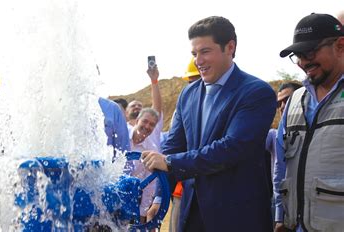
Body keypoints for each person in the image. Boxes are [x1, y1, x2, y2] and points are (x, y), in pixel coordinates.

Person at [141, 16, 276, 232]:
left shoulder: (256, 93)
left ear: (230, 47)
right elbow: (174, 147)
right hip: (191, 217)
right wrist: (159, 197)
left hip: (237, 219)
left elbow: (232, 148)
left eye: (205, 51)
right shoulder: (188, 94)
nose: (198, 61)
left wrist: (170, 162)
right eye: (194, 54)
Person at [274, 13, 344, 232]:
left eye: (311, 52)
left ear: (340, 45)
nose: (304, 62)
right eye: (298, 55)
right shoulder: (295, 100)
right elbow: (281, 166)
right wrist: (279, 215)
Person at [168, 57, 201, 232]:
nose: (194, 86)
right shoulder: (183, 106)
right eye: (190, 82)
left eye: (195, 81)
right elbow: (173, 146)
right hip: (183, 188)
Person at [128, 65, 163, 222]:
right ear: (136, 121)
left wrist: (142, 213)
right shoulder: (120, 137)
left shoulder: (152, 149)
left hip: (136, 198)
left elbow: (150, 185)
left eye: (152, 125)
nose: (147, 127)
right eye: (145, 122)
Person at [265, 82, 302, 223]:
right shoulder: (274, 136)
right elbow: (250, 141)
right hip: (281, 209)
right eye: (279, 103)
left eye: (288, 100)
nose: (282, 107)